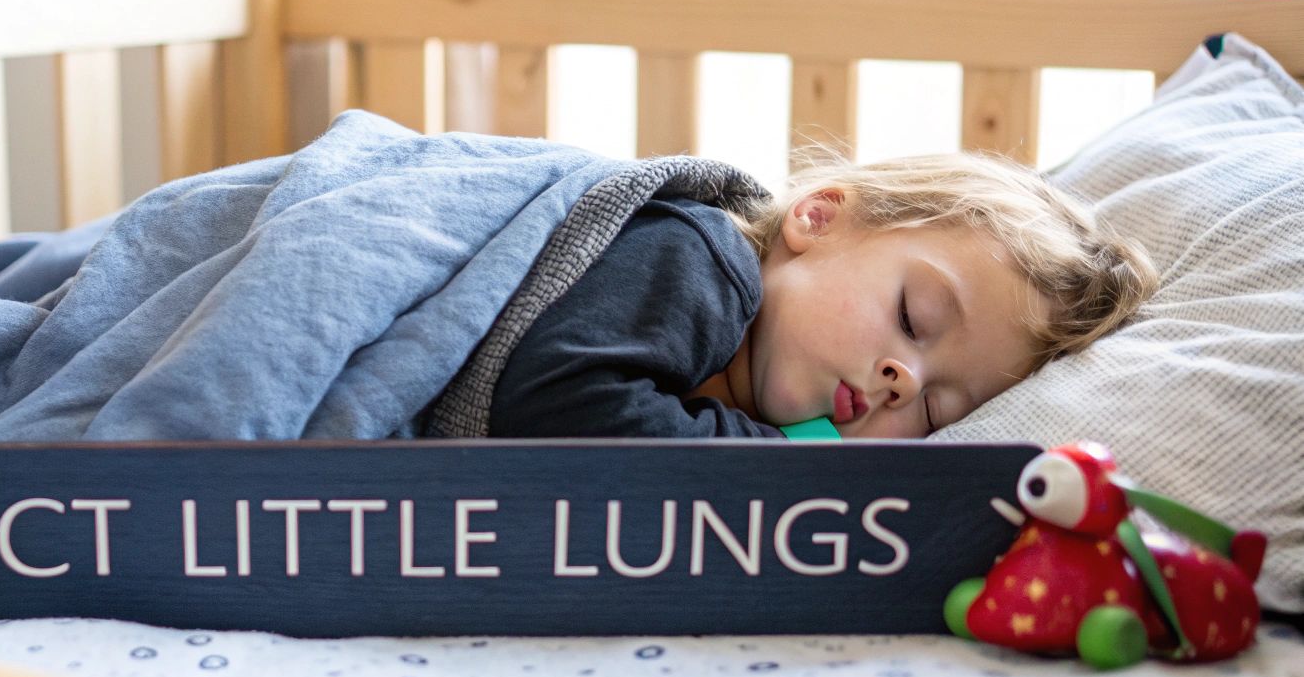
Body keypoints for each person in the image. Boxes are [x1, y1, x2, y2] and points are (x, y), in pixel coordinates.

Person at [488, 151, 1158, 440]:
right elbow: (556, 408)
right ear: (816, 220)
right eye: (911, 317)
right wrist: (784, 462)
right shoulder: (696, 257)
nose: (904, 379)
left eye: (935, 411)